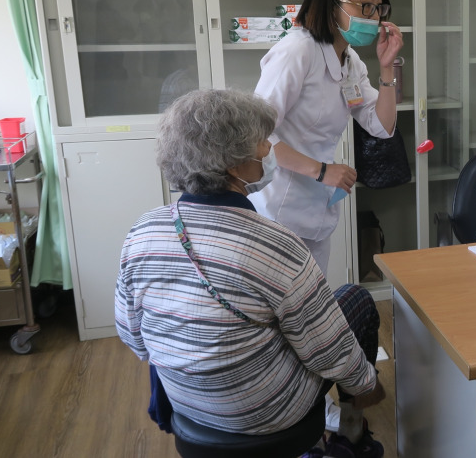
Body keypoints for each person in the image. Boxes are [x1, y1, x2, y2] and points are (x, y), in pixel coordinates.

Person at [115, 89, 386, 458]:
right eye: (262, 141)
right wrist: (368, 385)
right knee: (356, 300)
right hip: (268, 414)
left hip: (187, 406)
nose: (269, 149)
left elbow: (133, 337)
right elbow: (329, 350)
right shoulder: (275, 244)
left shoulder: (143, 230)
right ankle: (352, 436)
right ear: (232, 164)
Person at [250, 0, 404, 275]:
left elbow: (382, 126)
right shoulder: (296, 52)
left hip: (318, 208)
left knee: (313, 300)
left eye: (379, 7)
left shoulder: (351, 61)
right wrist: (321, 171)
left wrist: (388, 67)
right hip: (279, 211)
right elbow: (256, 135)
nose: (374, 16)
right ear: (333, 3)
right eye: (365, 5)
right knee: (286, 303)